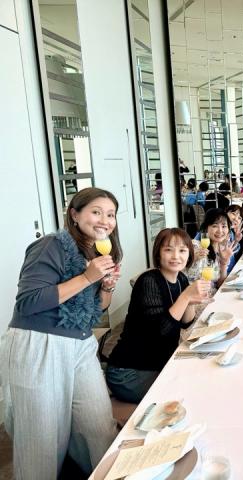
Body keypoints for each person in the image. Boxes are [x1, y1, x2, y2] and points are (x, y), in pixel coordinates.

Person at [0, 187, 122, 477]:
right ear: (74, 215)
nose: (105, 220)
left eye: (111, 214)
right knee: (41, 441)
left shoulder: (95, 252)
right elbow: (29, 302)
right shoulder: (51, 245)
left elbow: (98, 309)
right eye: (96, 212)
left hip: (81, 343)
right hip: (39, 345)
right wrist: (87, 277)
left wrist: (106, 286)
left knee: (98, 427)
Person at [106, 229, 209, 403]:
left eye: (182, 250)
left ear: (189, 254)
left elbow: (186, 322)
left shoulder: (181, 279)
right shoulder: (148, 281)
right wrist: (185, 297)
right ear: (158, 253)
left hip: (158, 364)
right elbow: (162, 330)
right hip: (129, 373)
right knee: (190, 393)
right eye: (168, 249)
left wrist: (192, 300)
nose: (176, 256)